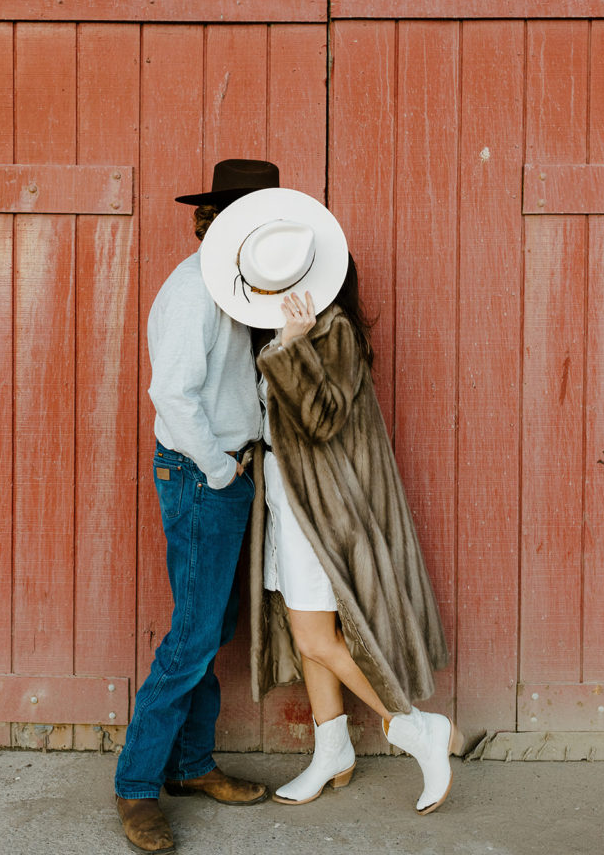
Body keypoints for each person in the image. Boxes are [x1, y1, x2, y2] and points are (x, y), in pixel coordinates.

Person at [200, 187, 461, 817]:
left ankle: (413, 728)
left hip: (326, 514)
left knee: (317, 635)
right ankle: (331, 750)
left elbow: (321, 420)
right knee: (303, 626)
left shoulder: (333, 329)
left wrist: (291, 347)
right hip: (289, 505)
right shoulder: (280, 329)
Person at [115, 159, 279, 854]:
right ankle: (137, 787)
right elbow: (172, 398)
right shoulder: (192, 291)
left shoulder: (237, 290)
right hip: (197, 476)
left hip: (225, 474)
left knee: (209, 631)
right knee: (191, 638)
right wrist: (217, 471)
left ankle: (190, 765)